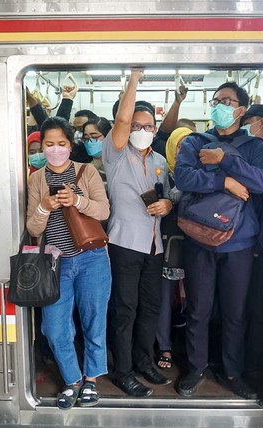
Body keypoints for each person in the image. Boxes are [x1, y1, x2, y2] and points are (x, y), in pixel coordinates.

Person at [174, 82, 263, 398]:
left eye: (227, 101)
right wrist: (225, 181)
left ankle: (231, 371)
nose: (220, 105)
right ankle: (195, 369)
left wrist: (224, 159)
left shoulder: (253, 147)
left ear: (241, 110)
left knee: (234, 312)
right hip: (199, 238)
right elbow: (185, 177)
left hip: (239, 242)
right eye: (216, 100)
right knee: (199, 309)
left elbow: (261, 182)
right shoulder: (193, 141)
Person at [26, 116, 111, 410]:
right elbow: (34, 229)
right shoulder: (36, 179)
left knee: (93, 321)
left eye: (61, 143)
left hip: (92, 259)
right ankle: (72, 378)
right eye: (49, 144)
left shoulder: (86, 173)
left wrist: (77, 201)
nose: (54, 149)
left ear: (70, 144)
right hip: (55, 264)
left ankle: (90, 380)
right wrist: (43, 207)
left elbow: (103, 211)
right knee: (54, 327)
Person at [103, 69, 173, 397]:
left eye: (147, 127)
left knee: (150, 308)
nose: (140, 130)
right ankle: (124, 370)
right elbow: (120, 121)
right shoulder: (116, 156)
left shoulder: (159, 159)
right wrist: (133, 80)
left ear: (155, 130)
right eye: (136, 125)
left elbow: (171, 195)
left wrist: (168, 206)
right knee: (125, 309)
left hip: (154, 247)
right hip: (125, 244)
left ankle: (145, 361)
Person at [240, 104, 263, 396]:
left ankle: (251, 365)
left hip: (262, 245)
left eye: (246, 122)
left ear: (260, 124)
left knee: (255, 308)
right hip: (259, 242)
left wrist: (259, 244)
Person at [155, 126, 193, 370]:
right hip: (170, 244)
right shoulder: (160, 173)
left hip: (199, 246)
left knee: (196, 300)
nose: (185, 150)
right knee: (165, 298)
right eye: (180, 145)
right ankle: (164, 347)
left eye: (191, 145)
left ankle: (191, 348)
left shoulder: (205, 173)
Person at [81, 117, 112, 183]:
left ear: (108, 136)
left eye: (94, 137)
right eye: (86, 138)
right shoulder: (83, 160)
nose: (89, 142)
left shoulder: (118, 160)